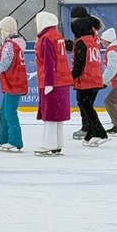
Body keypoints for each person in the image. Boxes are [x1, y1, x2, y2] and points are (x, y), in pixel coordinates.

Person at [0, 16, 28, 152]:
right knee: (3, 112)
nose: (1, 32)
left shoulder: (10, 45)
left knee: (9, 113)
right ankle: (3, 139)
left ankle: (15, 141)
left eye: (2, 29)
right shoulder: (13, 44)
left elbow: (4, 64)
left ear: (7, 30)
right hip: (12, 82)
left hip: (14, 83)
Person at [33, 12, 71, 156]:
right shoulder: (57, 36)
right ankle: (57, 143)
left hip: (53, 81)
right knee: (57, 115)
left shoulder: (46, 38)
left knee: (50, 114)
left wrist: (49, 82)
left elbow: (49, 62)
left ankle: (49, 144)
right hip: (62, 80)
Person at [69, 6, 108, 146]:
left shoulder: (84, 40)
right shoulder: (91, 36)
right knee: (86, 104)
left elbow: (80, 62)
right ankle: (90, 133)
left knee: (86, 105)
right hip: (94, 75)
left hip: (87, 78)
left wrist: (70, 77)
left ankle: (98, 132)